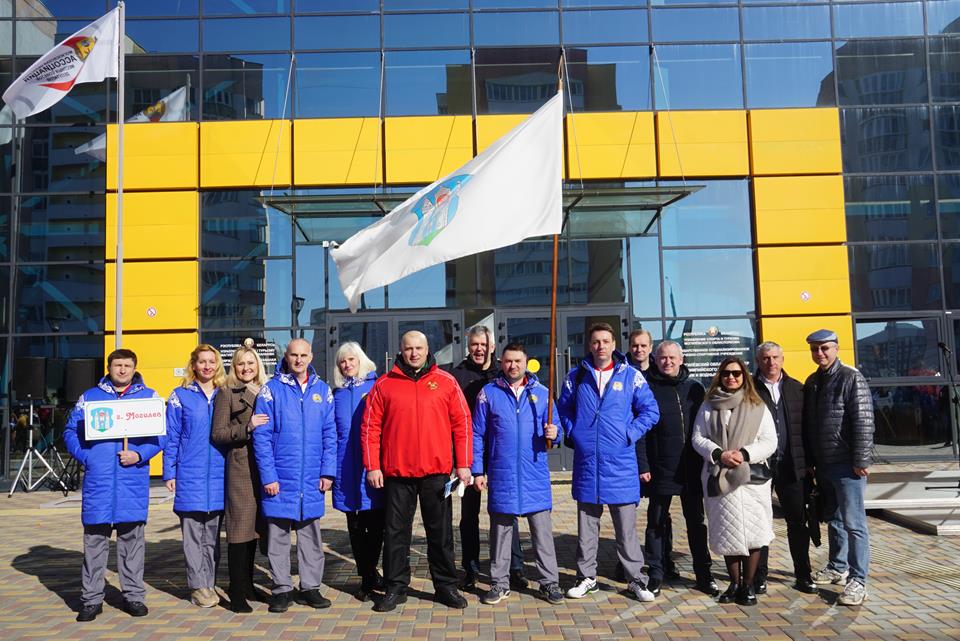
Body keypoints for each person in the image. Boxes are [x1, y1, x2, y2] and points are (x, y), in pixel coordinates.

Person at [361, 331, 472, 612]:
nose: (414, 353)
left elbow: (462, 423)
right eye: (409, 348)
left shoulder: (446, 382)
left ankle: (446, 586)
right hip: (398, 473)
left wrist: (464, 463)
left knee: (441, 534)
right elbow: (370, 427)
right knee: (396, 533)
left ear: (427, 349)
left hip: (437, 473)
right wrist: (372, 466)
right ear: (401, 350)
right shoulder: (384, 384)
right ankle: (395, 587)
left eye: (419, 348)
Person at [557, 322, 660, 603]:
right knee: (587, 528)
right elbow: (563, 408)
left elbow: (650, 411)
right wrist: (574, 432)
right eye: (595, 341)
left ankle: (636, 579)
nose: (600, 346)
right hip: (588, 463)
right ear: (589, 346)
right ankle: (586, 577)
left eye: (605, 341)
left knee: (626, 530)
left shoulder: (631, 376)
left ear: (614, 345)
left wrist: (630, 433)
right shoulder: (576, 376)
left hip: (621, 464)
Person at [63, 349, 163, 622]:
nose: (122, 370)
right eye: (117, 365)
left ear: (134, 368)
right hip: (100, 482)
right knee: (95, 544)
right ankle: (91, 600)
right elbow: (70, 431)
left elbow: (161, 437)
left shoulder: (149, 397)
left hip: (132, 483)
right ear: (109, 367)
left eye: (127, 365)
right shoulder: (90, 397)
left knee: (132, 544)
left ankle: (133, 596)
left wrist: (139, 455)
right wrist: (87, 457)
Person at [471, 343, 564, 606]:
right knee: (500, 533)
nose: (513, 366)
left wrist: (555, 434)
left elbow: (557, 429)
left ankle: (549, 583)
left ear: (526, 362)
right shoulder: (489, 393)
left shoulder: (542, 394)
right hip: (502, 474)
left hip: (534, 475)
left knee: (542, 535)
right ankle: (499, 583)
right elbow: (477, 434)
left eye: (518, 361)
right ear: (501, 363)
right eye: (508, 361)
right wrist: (478, 470)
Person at [252, 338, 337, 613]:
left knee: (310, 537)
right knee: (277, 537)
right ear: (286, 357)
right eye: (294, 355)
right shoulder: (271, 390)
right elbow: (262, 438)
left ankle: (310, 588)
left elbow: (330, 434)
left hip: (311, 478)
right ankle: (282, 588)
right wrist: (268, 477)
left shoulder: (322, 390)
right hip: (280, 478)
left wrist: (328, 471)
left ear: (311, 357)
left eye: (303, 355)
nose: (299, 360)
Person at [691, 356, 777, 607]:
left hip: (750, 479)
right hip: (719, 476)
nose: (731, 377)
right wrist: (719, 454)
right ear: (720, 376)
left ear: (744, 377)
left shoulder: (757, 405)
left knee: (754, 532)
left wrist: (744, 454)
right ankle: (734, 583)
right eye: (726, 373)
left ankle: (748, 585)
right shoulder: (709, 405)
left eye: (737, 373)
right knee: (727, 532)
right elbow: (698, 437)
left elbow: (770, 441)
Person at [636, 340, 718, 597]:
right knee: (656, 522)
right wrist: (643, 464)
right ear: (655, 360)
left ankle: (704, 574)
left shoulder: (695, 388)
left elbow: (707, 427)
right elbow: (641, 432)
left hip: (691, 468)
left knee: (696, 523)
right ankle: (656, 573)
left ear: (681, 360)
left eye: (672, 357)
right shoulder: (647, 388)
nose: (667, 362)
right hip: (660, 467)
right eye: (663, 357)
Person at [449, 325, 525, 590]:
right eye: (474, 345)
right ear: (468, 346)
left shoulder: (502, 373)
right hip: (470, 455)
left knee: (506, 512)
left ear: (492, 346)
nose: (479, 349)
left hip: (500, 454)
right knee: (469, 515)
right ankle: (470, 569)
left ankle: (514, 567)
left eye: (483, 344)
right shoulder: (457, 375)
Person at [803, 329, 875, 606]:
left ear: (836, 348)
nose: (819, 353)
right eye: (815, 349)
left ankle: (858, 580)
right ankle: (837, 566)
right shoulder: (813, 381)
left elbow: (863, 420)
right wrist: (811, 461)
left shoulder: (850, 377)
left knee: (854, 523)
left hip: (847, 465)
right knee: (833, 519)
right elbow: (810, 425)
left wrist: (861, 460)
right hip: (824, 465)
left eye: (825, 348)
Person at [163, 345, 227, 609]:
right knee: (193, 536)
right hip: (190, 473)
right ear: (194, 365)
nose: (207, 366)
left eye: (212, 362)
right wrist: (170, 471)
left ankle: (209, 582)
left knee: (212, 536)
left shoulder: (225, 393)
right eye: (202, 362)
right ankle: (198, 586)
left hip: (219, 475)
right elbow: (172, 436)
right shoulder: (180, 396)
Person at [752, 341, 818, 595]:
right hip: (760, 466)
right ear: (758, 361)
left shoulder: (797, 388)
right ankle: (759, 576)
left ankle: (803, 574)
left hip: (792, 466)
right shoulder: (749, 390)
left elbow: (808, 428)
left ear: (782, 359)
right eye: (766, 358)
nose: (771, 362)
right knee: (760, 522)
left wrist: (810, 462)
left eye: (775, 357)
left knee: (798, 522)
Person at [211, 341, 270, 613]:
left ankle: (247, 584)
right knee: (239, 530)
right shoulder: (226, 393)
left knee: (254, 530)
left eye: (250, 363)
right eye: (240, 364)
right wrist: (247, 427)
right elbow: (218, 433)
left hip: (264, 468)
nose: (246, 368)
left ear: (258, 364)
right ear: (233, 367)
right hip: (241, 467)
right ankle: (235, 591)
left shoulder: (267, 390)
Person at [332, 341, 385, 602]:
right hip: (345, 469)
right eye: (342, 361)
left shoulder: (377, 387)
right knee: (354, 527)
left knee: (374, 526)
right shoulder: (337, 394)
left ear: (361, 359)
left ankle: (369, 575)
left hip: (371, 468)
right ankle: (367, 576)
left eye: (351, 359)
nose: (347, 364)